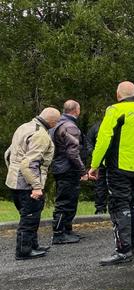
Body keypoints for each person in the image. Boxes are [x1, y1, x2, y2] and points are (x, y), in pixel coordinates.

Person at [89, 81, 134, 266]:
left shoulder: (115, 110)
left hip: (118, 166)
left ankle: (123, 249)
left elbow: (103, 139)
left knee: (119, 205)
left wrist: (95, 164)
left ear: (118, 95)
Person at [4, 108, 59, 260]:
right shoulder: (41, 135)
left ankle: (33, 245)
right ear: (52, 122)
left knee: (31, 215)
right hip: (28, 183)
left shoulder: (24, 127)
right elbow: (29, 163)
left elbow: (8, 154)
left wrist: (12, 172)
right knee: (29, 217)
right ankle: (24, 250)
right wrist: (36, 186)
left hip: (14, 180)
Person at [50, 100, 88, 244]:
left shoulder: (56, 125)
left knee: (67, 200)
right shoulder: (70, 126)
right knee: (66, 201)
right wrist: (82, 170)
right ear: (76, 110)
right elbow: (73, 153)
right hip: (67, 168)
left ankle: (67, 230)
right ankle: (59, 233)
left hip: (59, 166)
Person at [86, 120, 108, 214]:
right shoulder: (96, 127)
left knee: (115, 185)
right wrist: (95, 155)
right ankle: (100, 208)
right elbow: (89, 142)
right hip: (101, 162)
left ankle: (115, 207)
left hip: (116, 161)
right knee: (101, 185)